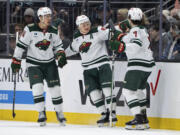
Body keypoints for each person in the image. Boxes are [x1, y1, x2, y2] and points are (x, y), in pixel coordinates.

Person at [11, 7, 67, 126]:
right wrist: (16, 60)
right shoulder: (29, 29)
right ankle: (41, 112)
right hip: (34, 64)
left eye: (50, 16)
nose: (49, 18)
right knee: (37, 88)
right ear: (40, 17)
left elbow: (58, 46)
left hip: (50, 63)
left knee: (56, 89)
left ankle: (59, 113)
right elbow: (20, 46)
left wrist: (61, 54)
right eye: (46, 16)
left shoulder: (53, 30)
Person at [65, 15, 117, 127]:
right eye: (83, 24)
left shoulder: (98, 31)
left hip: (102, 66)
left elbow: (112, 33)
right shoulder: (76, 38)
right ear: (78, 26)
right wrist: (60, 54)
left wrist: (114, 31)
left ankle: (112, 113)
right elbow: (70, 50)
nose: (86, 26)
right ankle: (104, 114)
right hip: (88, 70)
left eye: (87, 23)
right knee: (93, 93)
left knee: (108, 90)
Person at [109, 8, 155, 130]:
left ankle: (138, 119)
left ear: (129, 18)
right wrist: (120, 37)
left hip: (137, 64)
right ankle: (144, 119)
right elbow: (131, 38)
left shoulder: (135, 31)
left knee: (128, 92)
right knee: (139, 91)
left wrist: (120, 47)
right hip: (147, 64)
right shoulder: (140, 30)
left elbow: (135, 46)